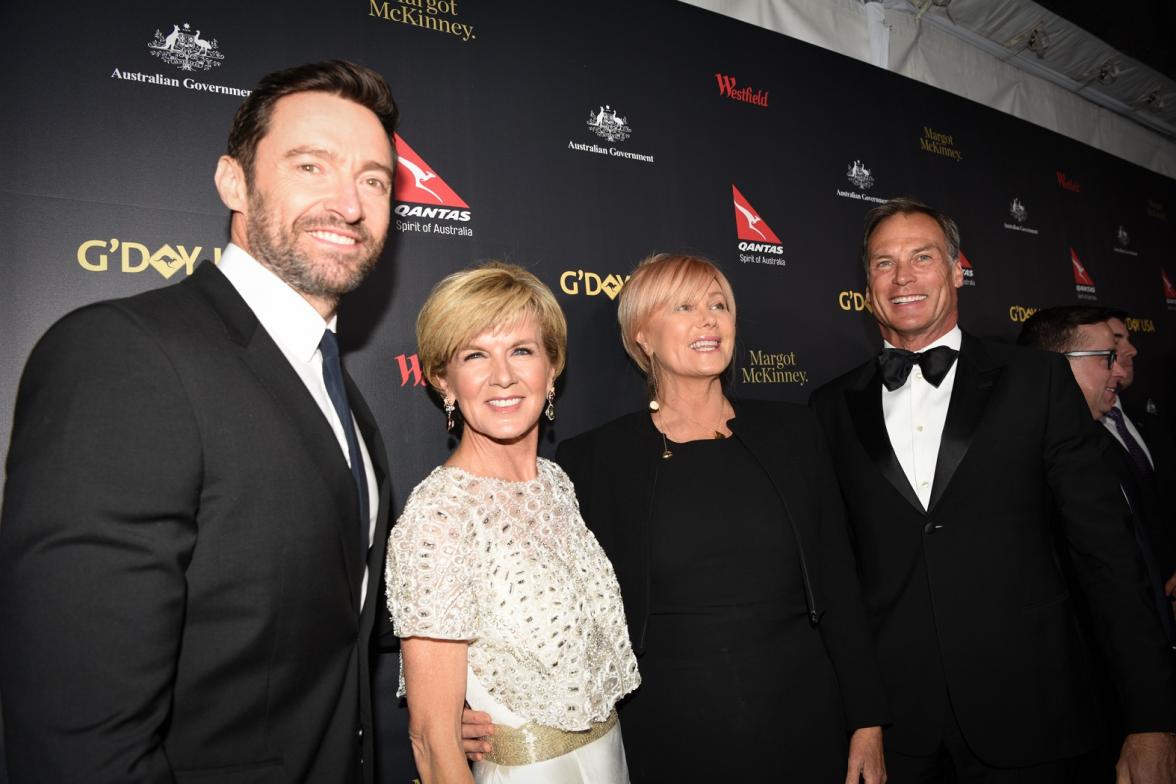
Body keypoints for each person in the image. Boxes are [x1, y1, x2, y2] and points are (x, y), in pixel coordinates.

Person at [0, 61, 398, 783]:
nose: (349, 202)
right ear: (233, 182)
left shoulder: (336, 388)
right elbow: (81, 737)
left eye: (374, 179)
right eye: (312, 165)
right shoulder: (125, 354)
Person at [810, 197, 1176, 782]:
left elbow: (1106, 553)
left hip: (1034, 714)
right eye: (884, 263)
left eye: (922, 257)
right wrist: (863, 716)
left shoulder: (1036, 382)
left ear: (957, 271)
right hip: (901, 734)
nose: (903, 277)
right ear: (866, 282)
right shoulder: (829, 407)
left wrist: (1153, 718)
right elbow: (839, 578)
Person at [547, 253, 888, 782]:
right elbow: (558, 614)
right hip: (667, 727)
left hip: (805, 718)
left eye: (719, 304)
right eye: (684, 306)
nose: (709, 319)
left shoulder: (794, 433)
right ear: (643, 336)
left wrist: (867, 720)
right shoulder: (593, 460)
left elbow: (839, 582)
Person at [385, 262, 640, 784]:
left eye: (521, 350)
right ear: (442, 379)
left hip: (608, 761)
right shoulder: (439, 514)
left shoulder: (555, 483)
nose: (503, 375)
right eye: (475, 355)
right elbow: (433, 742)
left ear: (551, 368)